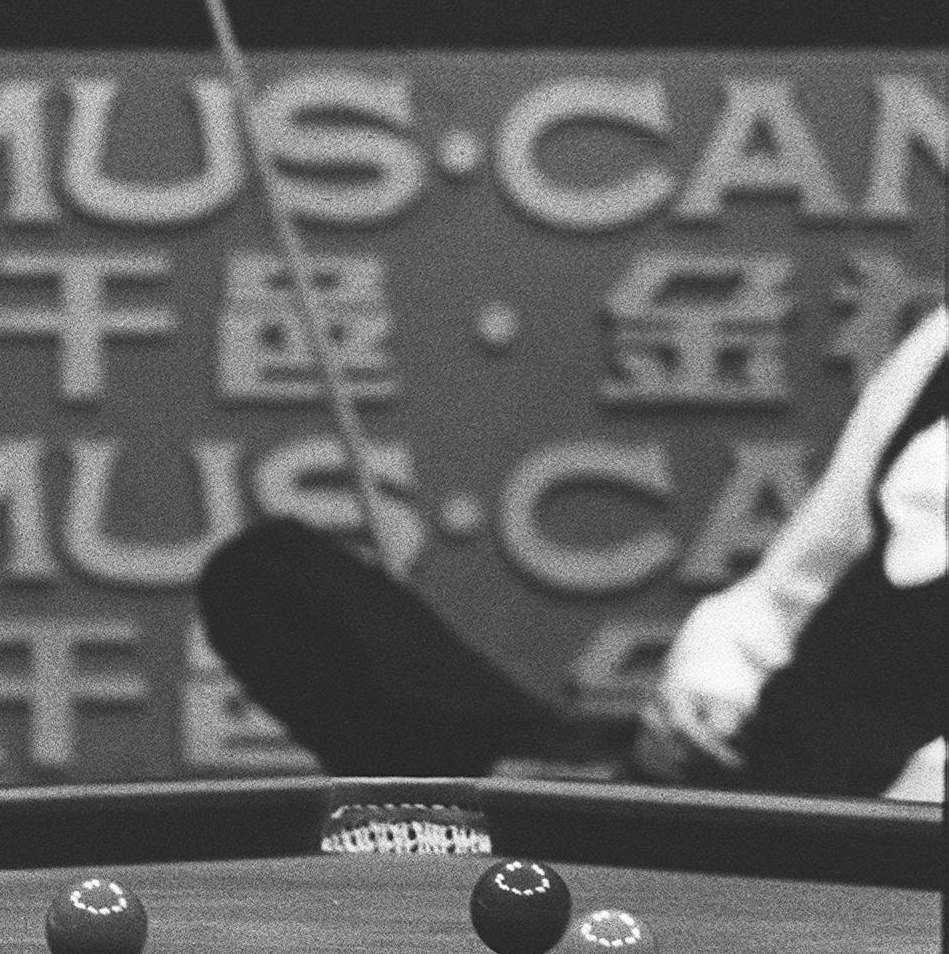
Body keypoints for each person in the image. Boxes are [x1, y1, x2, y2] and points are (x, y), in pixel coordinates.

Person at [198, 306, 946, 802]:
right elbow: (783, 592)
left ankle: (531, 802)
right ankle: (539, 780)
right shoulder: (937, 347)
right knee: (267, 576)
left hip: (867, 822)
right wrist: (707, 689)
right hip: (734, 766)